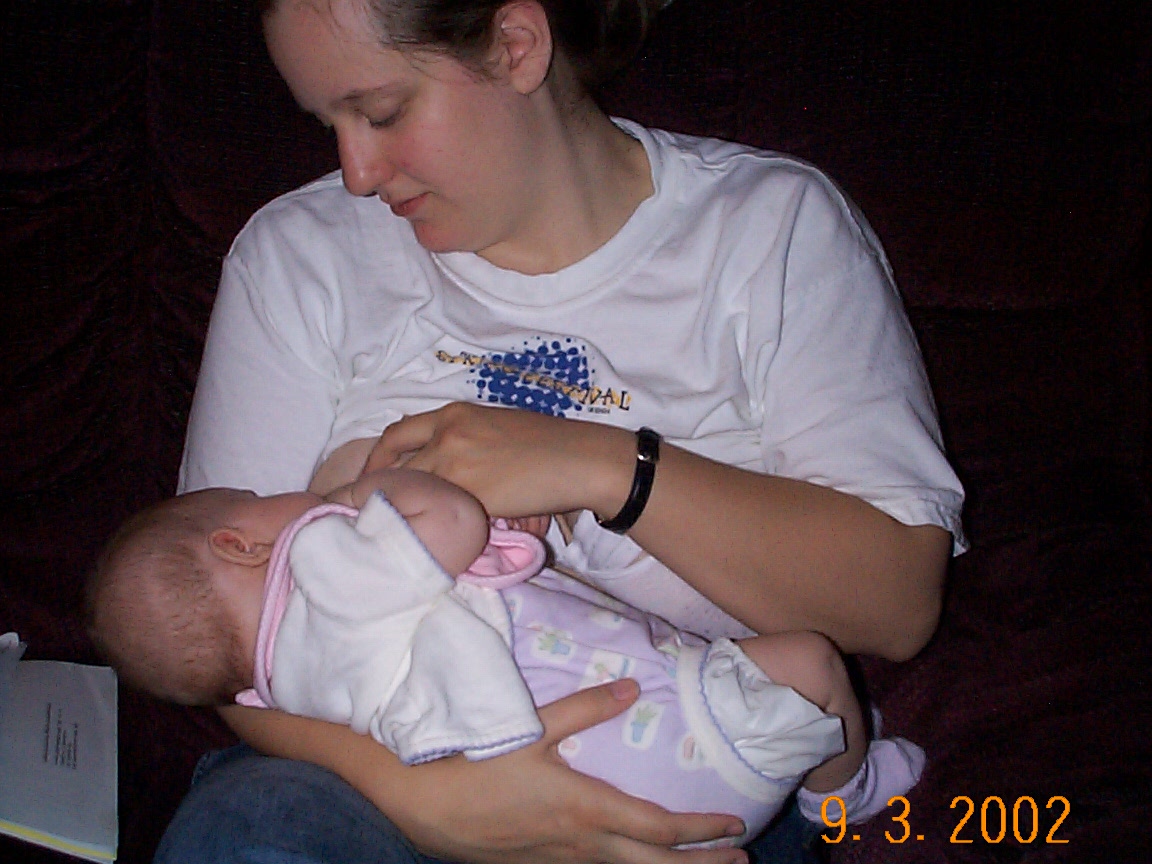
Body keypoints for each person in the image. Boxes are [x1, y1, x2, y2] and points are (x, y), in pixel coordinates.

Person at [161, 0, 966, 862]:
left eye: (382, 112)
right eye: (329, 124)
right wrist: (433, 802)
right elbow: (218, 635)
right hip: (365, 788)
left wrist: (604, 468)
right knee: (251, 832)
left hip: (686, 768)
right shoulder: (296, 257)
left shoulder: (773, 230)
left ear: (517, 45)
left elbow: (896, 605)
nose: (356, 172)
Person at [89, 469, 926, 847]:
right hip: (679, 726)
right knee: (815, 666)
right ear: (240, 542)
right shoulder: (323, 564)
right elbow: (451, 524)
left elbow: (450, 594)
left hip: (574, 806)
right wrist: (368, 493)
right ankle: (841, 797)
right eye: (251, 494)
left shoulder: (283, 688)